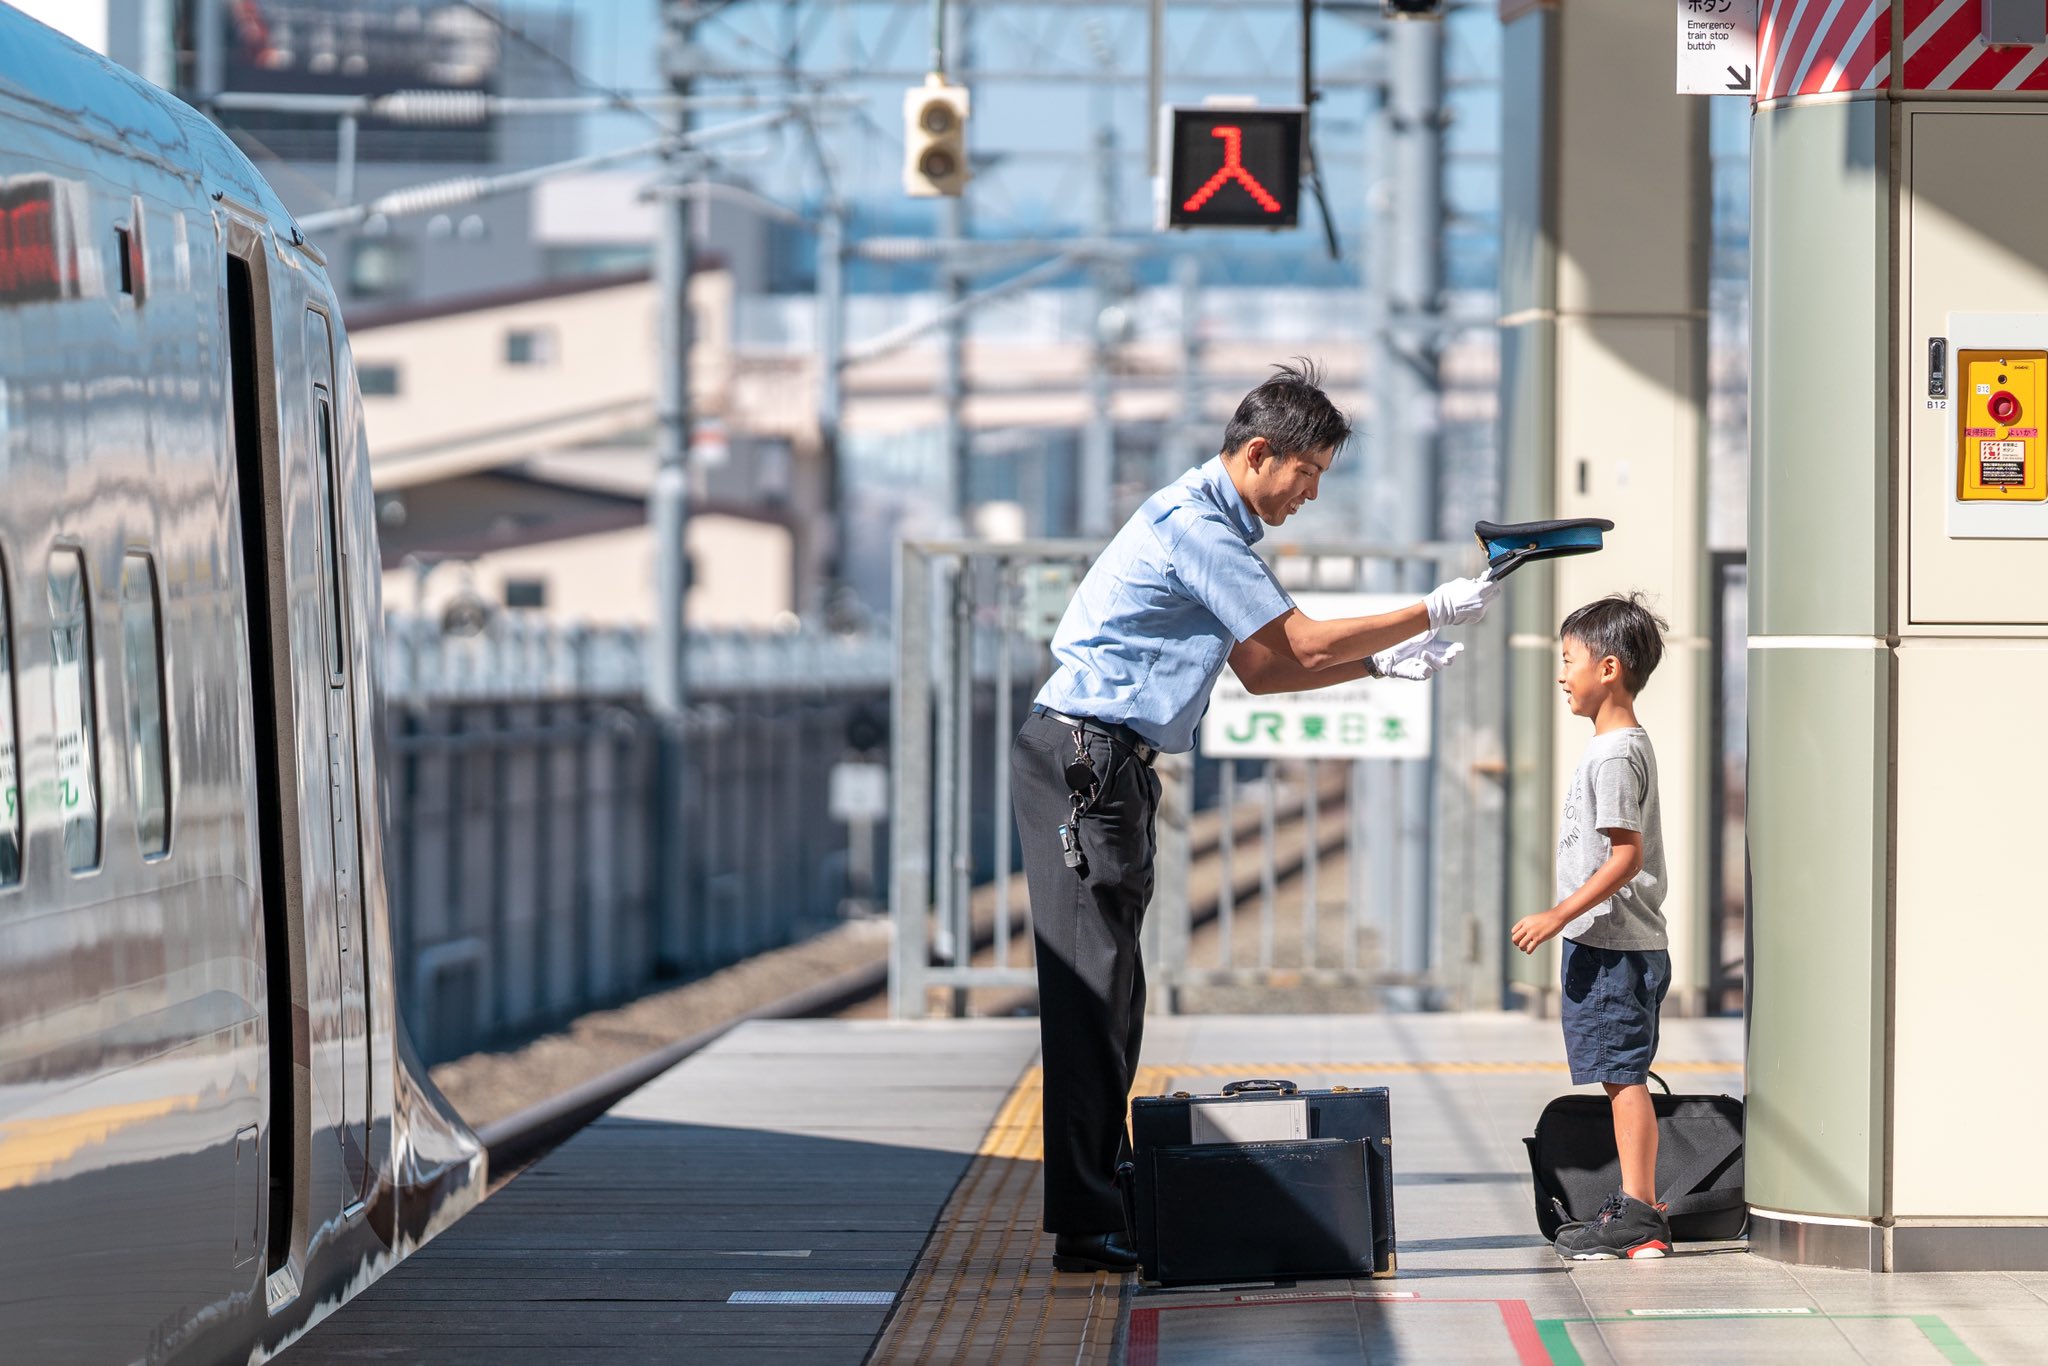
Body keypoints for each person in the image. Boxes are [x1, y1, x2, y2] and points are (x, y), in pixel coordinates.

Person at [1011, 359, 1502, 1274]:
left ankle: (1106, 1194)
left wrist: (1379, 667)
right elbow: (1300, 641)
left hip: (1103, 763)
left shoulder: (1209, 523)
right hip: (1083, 760)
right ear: (1259, 454)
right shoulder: (1199, 529)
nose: (1310, 495)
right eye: (1306, 474)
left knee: (1114, 992)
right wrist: (1424, 611)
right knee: (1089, 997)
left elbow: (1266, 668)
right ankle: (1085, 1221)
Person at [1509, 592, 1672, 1260]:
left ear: (1608, 668)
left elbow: (1625, 856)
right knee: (1618, 1073)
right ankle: (1638, 1216)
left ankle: (1640, 1211)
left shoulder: (1613, 754)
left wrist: (1558, 914)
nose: (1561, 674)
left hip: (1613, 945)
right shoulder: (1614, 745)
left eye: (1569, 659)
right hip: (1608, 943)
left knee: (1623, 1076)